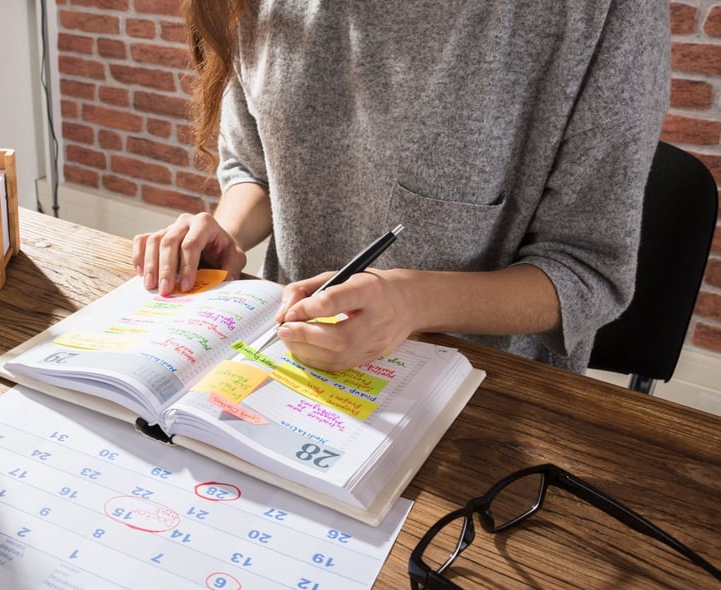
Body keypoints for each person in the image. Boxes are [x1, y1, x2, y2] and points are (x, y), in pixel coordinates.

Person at [132, 1, 670, 373]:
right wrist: (225, 231)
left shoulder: (602, 14)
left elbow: (587, 270)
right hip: (286, 361)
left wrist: (411, 303)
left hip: (482, 394)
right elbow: (258, 170)